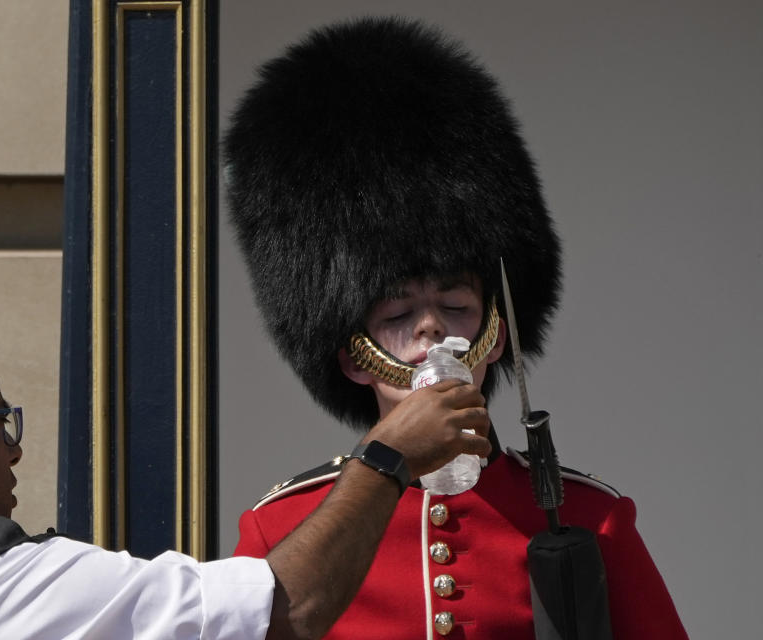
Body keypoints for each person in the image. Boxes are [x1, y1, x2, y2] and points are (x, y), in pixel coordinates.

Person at [223, 16, 688, 639]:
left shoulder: (591, 516)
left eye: (457, 305)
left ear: (494, 335)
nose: (432, 330)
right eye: (395, 314)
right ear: (354, 357)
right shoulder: (281, 528)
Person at [0, 334, 492, 640]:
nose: (14, 456)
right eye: (0, 427)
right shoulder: (7, 586)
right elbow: (283, 610)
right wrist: (384, 457)